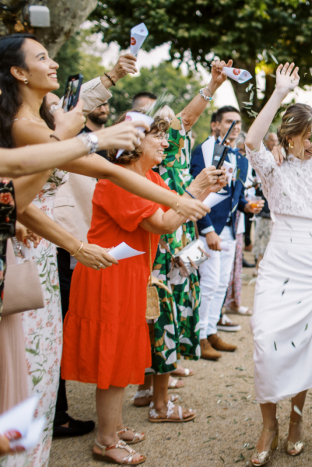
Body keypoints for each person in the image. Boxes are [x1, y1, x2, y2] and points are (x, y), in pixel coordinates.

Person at [0, 33, 208, 467]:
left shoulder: (44, 122)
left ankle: (26, 451)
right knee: (28, 372)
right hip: (24, 260)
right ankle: (23, 453)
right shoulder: (27, 128)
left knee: (36, 372)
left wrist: (177, 199)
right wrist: (99, 140)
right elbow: (31, 174)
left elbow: (84, 159)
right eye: (42, 57)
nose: (54, 63)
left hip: (40, 247)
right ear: (18, 72)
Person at [61, 115, 221, 465]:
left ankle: (114, 427)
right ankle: (105, 441)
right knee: (113, 357)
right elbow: (163, 223)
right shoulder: (120, 181)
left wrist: (200, 190)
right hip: (109, 277)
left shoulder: (147, 177)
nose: (166, 143)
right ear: (134, 143)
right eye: (158, 137)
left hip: (130, 275)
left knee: (122, 353)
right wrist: (196, 189)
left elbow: (172, 212)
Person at [243, 63, 312, 466]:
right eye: (310, 138)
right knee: (265, 343)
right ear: (289, 137)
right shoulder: (273, 170)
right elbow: (251, 141)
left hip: (311, 267)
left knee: (304, 345)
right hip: (278, 264)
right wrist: (279, 92)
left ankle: (296, 419)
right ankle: (268, 424)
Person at [133, 62, 232, 415]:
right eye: (163, 128)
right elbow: (185, 121)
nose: (171, 132)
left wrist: (205, 190)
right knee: (159, 317)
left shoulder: (174, 161)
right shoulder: (154, 165)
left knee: (167, 316)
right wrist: (211, 86)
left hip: (179, 242)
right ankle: (155, 397)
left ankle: (153, 384)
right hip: (160, 248)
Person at [52, 56, 137, 439]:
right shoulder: (61, 133)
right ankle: (53, 416)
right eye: (41, 57)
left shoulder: (89, 145)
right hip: (57, 234)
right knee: (56, 326)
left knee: (55, 328)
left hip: (75, 240)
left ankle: (54, 414)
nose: (52, 62)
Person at [190, 105, 262, 360]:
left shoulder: (240, 157)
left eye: (238, 122)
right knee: (207, 284)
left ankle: (211, 332)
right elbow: (195, 191)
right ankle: (197, 338)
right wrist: (207, 229)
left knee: (221, 284)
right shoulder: (205, 150)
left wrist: (248, 206)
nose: (235, 127)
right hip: (208, 230)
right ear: (215, 125)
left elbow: (237, 196)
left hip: (231, 230)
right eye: (229, 121)